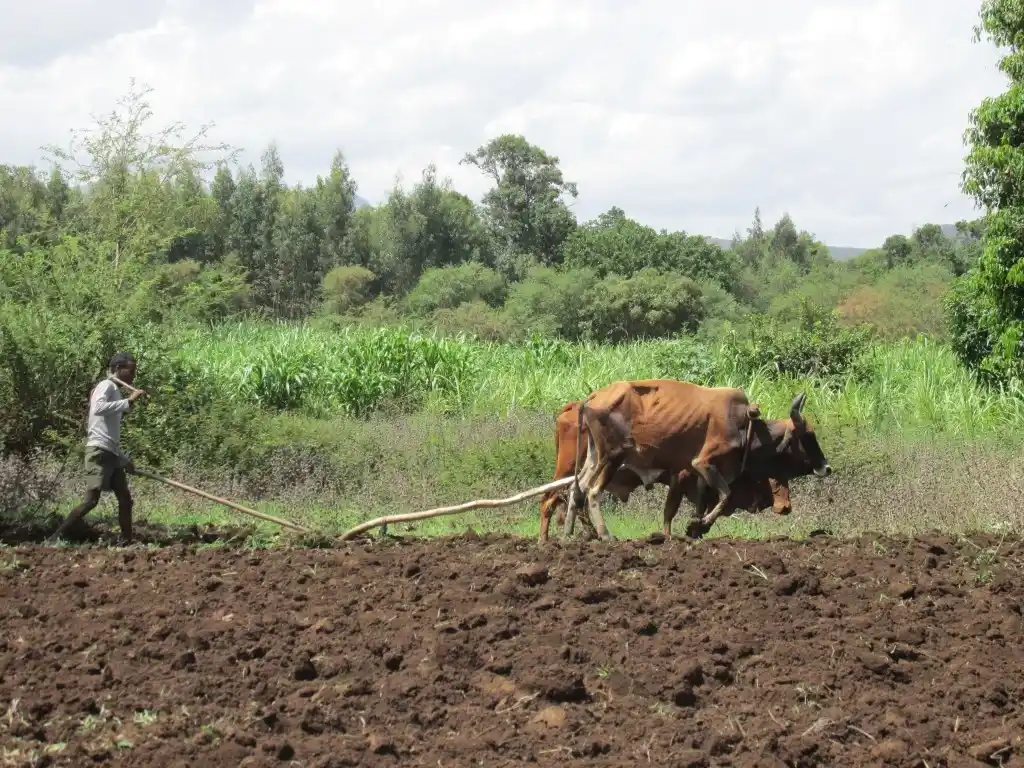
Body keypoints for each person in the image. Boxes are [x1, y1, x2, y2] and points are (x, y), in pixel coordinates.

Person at [49, 352, 147, 545]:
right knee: (91, 501)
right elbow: (98, 408)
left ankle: (126, 541)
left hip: (110, 452)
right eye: (131, 371)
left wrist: (124, 460)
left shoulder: (115, 390)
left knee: (125, 499)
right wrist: (129, 401)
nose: (133, 376)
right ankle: (54, 538)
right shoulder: (106, 385)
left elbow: (108, 433)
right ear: (117, 369)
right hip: (99, 452)